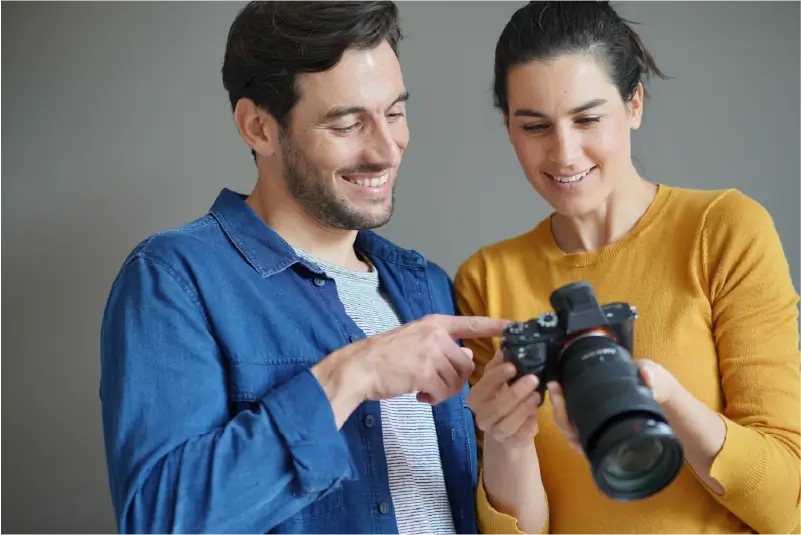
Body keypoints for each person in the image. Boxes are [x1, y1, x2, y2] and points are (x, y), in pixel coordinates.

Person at [98, 1, 512, 534]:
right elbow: (162, 521)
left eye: (394, 113)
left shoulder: (425, 283)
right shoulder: (173, 280)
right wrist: (351, 375)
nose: (387, 150)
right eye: (347, 123)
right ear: (258, 128)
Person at [454, 1, 801, 534]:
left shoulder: (723, 230)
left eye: (588, 118)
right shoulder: (488, 279)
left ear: (634, 102)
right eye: (534, 126)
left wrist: (661, 399)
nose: (564, 153)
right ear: (508, 127)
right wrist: (507, 439)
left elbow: (787, 504)